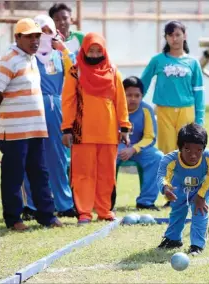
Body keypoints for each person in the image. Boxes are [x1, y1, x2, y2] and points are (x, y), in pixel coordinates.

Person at [0, 18, 62, 230]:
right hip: (14, 131)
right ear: (17, 38)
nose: (35, 40)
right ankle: (14, 219)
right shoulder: (8, 60)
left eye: (37, 36)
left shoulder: (31, 59)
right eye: (29, 36)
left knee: (40, 174)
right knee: (13, 176)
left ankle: (47, 217)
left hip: (35, 129)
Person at [61, 32, 131, 225]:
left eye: (97, 50)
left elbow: (120, 101)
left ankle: (104, 210)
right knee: (83, 174)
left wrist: (124, 126)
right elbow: (68, 102)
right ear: (84, 50)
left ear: (104, 50)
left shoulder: (113, 71)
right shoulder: (75, 72)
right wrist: (67, 128)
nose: (93, 54)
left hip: (108, 134)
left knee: (107, 174)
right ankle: (84, 212)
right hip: (82, 133)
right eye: (90, 50)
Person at [20, 15, 77, 219]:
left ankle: (64, 203)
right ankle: (33, 206)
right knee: (31, 156)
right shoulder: (26, 56)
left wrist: (64, 49)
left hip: (56, 110)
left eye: (48, 30)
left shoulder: (60, 55)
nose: (45, 35)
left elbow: (77, 72)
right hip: (31, 108)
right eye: (40, 30)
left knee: (58, 157)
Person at [141, 20, 205, 155]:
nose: (174, 39)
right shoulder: (157, 60)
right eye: (170, 35)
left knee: (187, 150)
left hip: (187, 112)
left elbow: (199, 93)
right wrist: (136, 107)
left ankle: (186, 176)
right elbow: (142, 85)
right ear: (166, 38)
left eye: (177, 34)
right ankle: (167, 177)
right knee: (167, 151)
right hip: (164, 112)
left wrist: (199, 121)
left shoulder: (193, 63)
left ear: (185, 36)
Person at [156, 123, 209, 255]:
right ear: (180, 148)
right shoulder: (169, 159)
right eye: (187, 149)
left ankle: (197, 245)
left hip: (202, 189)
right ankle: (172, 239)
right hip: (179, 188)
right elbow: (162, 176)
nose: (193, 155)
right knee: (177, 212)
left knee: (200, 213)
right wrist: (166, 189)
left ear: (204, 148)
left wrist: (201, 196)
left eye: (198, 150)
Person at [112, 76, 164, 211]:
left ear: (142, 96)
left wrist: (134, 149)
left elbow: (150, 137)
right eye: (128, 95)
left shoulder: (146, 110)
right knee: (106, 158)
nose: (133, 99)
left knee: (158, 157)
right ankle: (106, 201)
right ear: (121, 94)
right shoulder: (112, 108)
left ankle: (146, 201)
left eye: (137, 95)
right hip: (116, 148)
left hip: (139, 149)